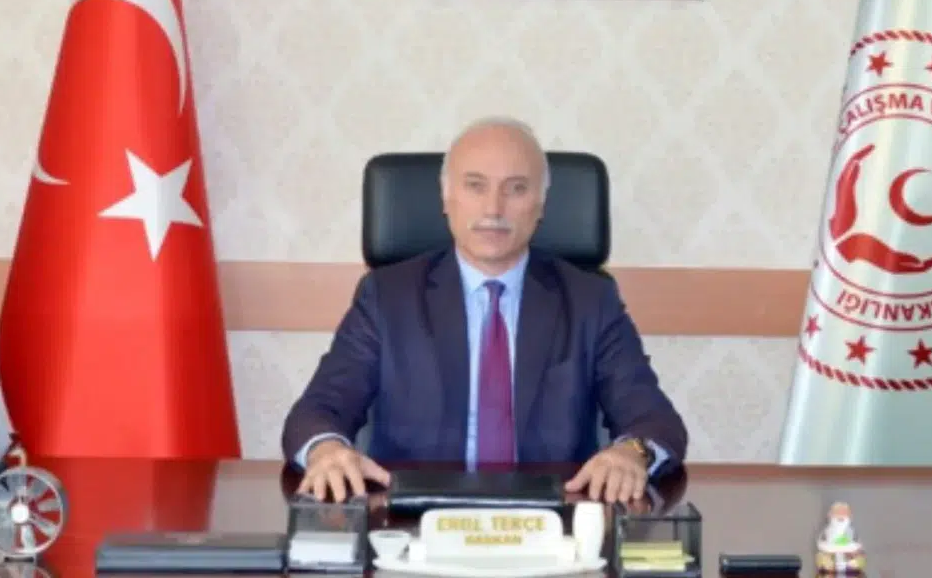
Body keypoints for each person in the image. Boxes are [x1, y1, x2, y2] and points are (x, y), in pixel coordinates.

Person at [281, 117, 687, 505]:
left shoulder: (589, 300)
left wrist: (631, 453)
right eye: (475, 186)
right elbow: (317, 410)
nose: (494, 208)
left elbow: (653, 418)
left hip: (551, 522)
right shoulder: (387, 298)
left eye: (516, 189)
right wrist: (326, 449)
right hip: (413, 521)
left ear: (541, 204)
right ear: (447, 198)